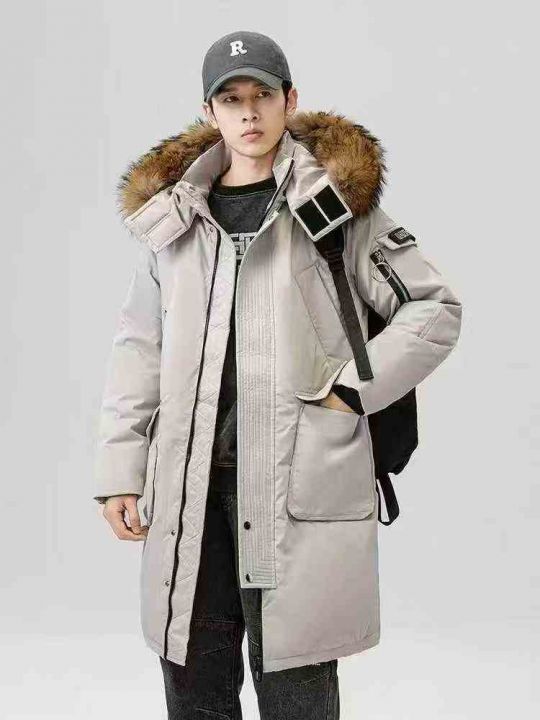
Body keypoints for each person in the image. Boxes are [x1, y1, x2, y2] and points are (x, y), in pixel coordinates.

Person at [93, 30, 462, 720]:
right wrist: (120, 470)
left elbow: (434, 308)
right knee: (194, 686)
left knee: (296, 689)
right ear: (209, 112)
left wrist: (352, 389)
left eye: (262, 94)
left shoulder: (334, 207)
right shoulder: (174, 222)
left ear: (290, 100)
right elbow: (139, 348)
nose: (249, 112)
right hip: (191, 491)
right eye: (231, 99)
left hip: (297, 483)